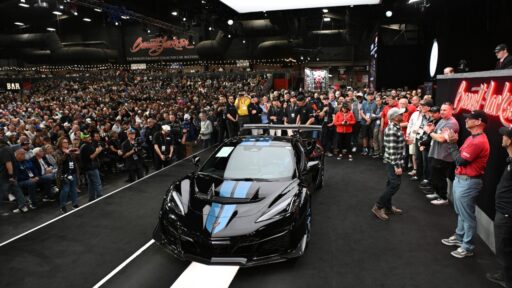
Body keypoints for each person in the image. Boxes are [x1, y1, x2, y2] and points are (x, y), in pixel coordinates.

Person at [440, 110, 490, 258]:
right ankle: (460, 236)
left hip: (468, 182)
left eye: (470, 119)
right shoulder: (472, 138)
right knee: (461, 213)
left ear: (478, 121)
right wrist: (454, 144)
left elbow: (460, 160)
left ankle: (467, 247)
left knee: (467, 216)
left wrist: (452, 143)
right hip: (462, 180)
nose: (466, 121)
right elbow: (460, 156)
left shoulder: (479, 141)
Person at [486, 126, 512, 288]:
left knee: (504, 248)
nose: (502, 137)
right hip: (505, 212)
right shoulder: (510, 160)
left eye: (505, 135)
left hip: (507, 214)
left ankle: (507, 279)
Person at [372, 107, 406, 221]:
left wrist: (405, 141)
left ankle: (387, 207)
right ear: (396, 117)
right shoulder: (392, 129)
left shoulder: (396, 127)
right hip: (393, 161)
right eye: (401, 114)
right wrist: (397, 166)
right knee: (395, 184)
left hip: (394, 160)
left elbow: (395, 144)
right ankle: (378, 206)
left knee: (391, 183)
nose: (403, 115)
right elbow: (391, 150)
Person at [423, 103, 459, 205]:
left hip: (444, 155)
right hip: (436, 153)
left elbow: (441, 138)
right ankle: (437, 193)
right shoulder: (443, 120)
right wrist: (432, 128)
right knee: (435, 176)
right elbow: (437, 132)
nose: (442, 112)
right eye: (442, 110)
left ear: (451, 111)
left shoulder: (452, 123)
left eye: (445, 110)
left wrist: (430, 132)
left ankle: (443, 198)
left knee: (440, 177)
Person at [55, 136, 79, 213]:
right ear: (60, 143)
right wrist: (65, 154)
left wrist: (76, 153)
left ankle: (74, 204)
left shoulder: (70, 150)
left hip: (72, 172)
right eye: (64, 142)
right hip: (64, 174)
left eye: (67, 142)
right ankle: (62, 206)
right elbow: (59, 162)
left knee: (73, 189)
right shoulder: (58, 152)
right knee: (65, 190)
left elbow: (73, 159)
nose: (66, 143)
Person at [79, 132, 103, 201]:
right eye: (87, 137)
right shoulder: (86, 146)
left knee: (91, 185)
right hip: (91, 168)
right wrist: (97, 151)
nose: (89, 138)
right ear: (83, 138)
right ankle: (101, 198)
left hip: (88, 168)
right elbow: (91, 157)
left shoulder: (83, 145)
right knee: (97, 183)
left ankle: (91, 199)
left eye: (89, 136)